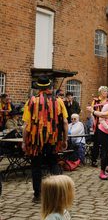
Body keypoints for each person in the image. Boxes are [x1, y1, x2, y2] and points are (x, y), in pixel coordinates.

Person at [22, 75, 68, 203]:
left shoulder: (30, 101)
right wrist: (65, 139)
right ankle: (58, 193)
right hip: (53, 140)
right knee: (53, 163)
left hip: (35, 141)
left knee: (36, 167)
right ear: (49, 86)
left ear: (38, 87)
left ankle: (38, 195)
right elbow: (64, 122)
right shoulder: (58, 101)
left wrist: (24, 142)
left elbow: (26, 125)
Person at [90, 86, 108, 167]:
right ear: (100, 92)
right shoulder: (96, 101)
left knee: (105, 143)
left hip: (105, 123)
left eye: (107, 91)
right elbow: (91, 111)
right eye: (104, 91)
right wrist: (93, 121)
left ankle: (105, 160)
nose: (106, 93)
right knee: (96, 143)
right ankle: (94, 160)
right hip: (97, 124)